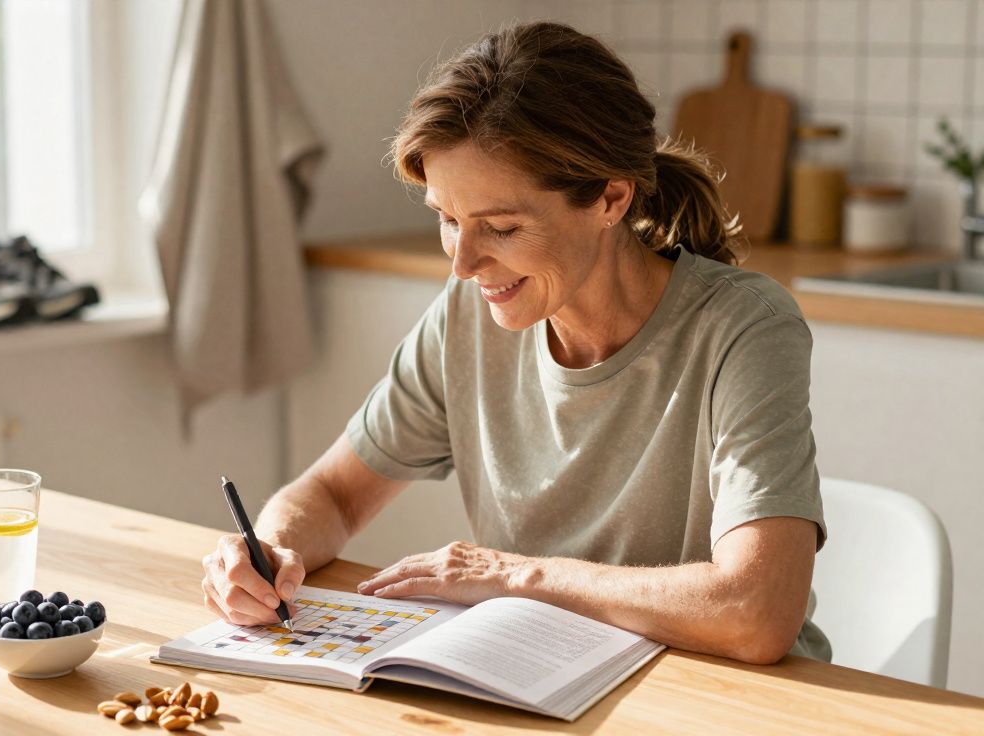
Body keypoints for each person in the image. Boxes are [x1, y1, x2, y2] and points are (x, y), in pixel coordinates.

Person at [200, 21, 829, 665]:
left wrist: (515, 576)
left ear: (611, 198)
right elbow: (334, 494)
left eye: (500, 227)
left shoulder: (743, 327)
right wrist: (268, 551)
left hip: (727, 695)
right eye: (448, 219)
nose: (463, 264)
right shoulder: (467, 317)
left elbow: (756, 612)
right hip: (549, 679)